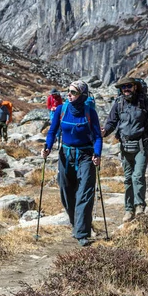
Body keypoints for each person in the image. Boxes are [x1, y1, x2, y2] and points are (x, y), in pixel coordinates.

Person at [41, 80, 102, 246]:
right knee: (66, 192)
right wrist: (47, 147)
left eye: (73, 92)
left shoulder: (90, 112)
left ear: (82, 95)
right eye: (68, 91)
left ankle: (82, 233)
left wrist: (97, 153)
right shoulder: (62, 109)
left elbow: (97, 137)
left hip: (86, 155)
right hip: (65, 155)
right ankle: (76, 223)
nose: (68, 94)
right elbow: (52, 131)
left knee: (85, 192)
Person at [102, 77, 148, 223]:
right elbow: (111, 122)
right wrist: (104, 131)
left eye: (129, 86)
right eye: (123, 87)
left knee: (137, 176)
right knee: (128, 179)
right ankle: (129, 209)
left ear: (135, 87)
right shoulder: (118, 103)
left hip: (141, 145)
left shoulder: (143, 101)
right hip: (125, 146)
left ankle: (139, 206)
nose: (126, 89)